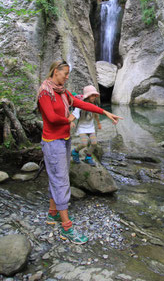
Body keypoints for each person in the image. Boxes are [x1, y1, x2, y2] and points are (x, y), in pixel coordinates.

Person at [37, 60, 122, 245]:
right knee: (61, 181)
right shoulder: (45, 92)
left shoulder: (62, 92)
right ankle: (66, 228)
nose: (67, 77)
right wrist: (68, 119)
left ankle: (53, 214)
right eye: (65, 74)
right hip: (53, 143)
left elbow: (81, 103)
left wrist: (105, 112)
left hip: (64, 140)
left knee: (58, 177)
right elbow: (51, 118)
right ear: (55, 71)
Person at [71, 85, 102, 166]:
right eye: (92, 95)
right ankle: (75, 152)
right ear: (87, 96)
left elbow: (96, 115)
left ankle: (88, 157)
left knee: (94, 143)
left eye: (95, 95)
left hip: (90, 127)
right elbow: (74, 115)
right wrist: (71, 122)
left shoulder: (95, 105)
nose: (94, 97)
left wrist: (98, 123)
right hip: (82, 128)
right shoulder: (80, 105)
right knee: (84, 143)